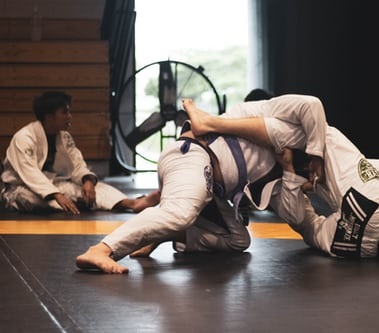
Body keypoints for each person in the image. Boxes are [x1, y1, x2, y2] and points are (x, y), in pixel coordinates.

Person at [183, 96, 379, 258]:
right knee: (307, 225)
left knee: (323, 134)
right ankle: (289, 173)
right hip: (367, 248)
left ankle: (212, 124)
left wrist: (342, 162)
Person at [75, 94, 327, 273]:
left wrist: (292, 173)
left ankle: (169, 234)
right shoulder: (257, 114)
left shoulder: (281, 168)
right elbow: (310, 105)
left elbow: (297, 218)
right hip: (190, 156)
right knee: (180, 213)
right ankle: (102, 249)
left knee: (237, 240)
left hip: (208, 187)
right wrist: (317, 154)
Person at [0, 91, 159, 215]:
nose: (69, 116)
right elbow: (29, 173)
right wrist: (55, 194)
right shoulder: (24, 137)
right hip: (21, 188)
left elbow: (77, 164)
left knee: (90, 190)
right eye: (64, 112)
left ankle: (132, 203)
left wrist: (87, 181)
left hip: (54, 185)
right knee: (31, 199)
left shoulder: (64, 137)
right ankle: (72, 201)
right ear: (49, 117)